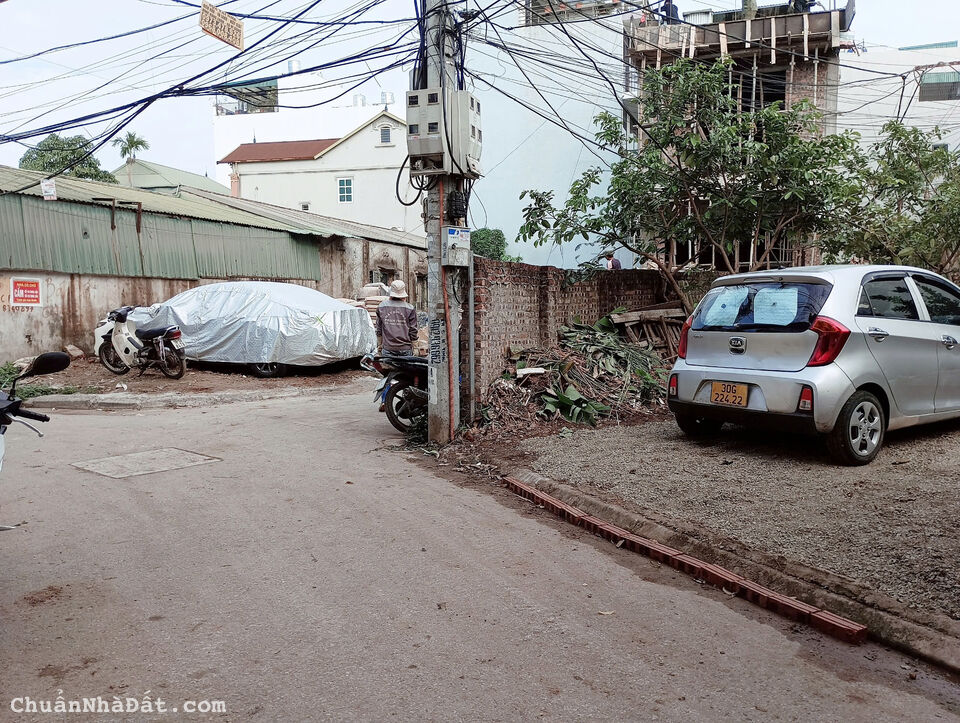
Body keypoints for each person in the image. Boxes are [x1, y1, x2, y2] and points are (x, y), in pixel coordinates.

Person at [376, 280, 418, 356]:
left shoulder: (381, 307)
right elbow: (413, 330)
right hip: (405, 349)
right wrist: (415, 347)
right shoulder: (410, 308)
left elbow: (379, 329)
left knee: (388, 368)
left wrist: (379, 345)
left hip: (388, 348)